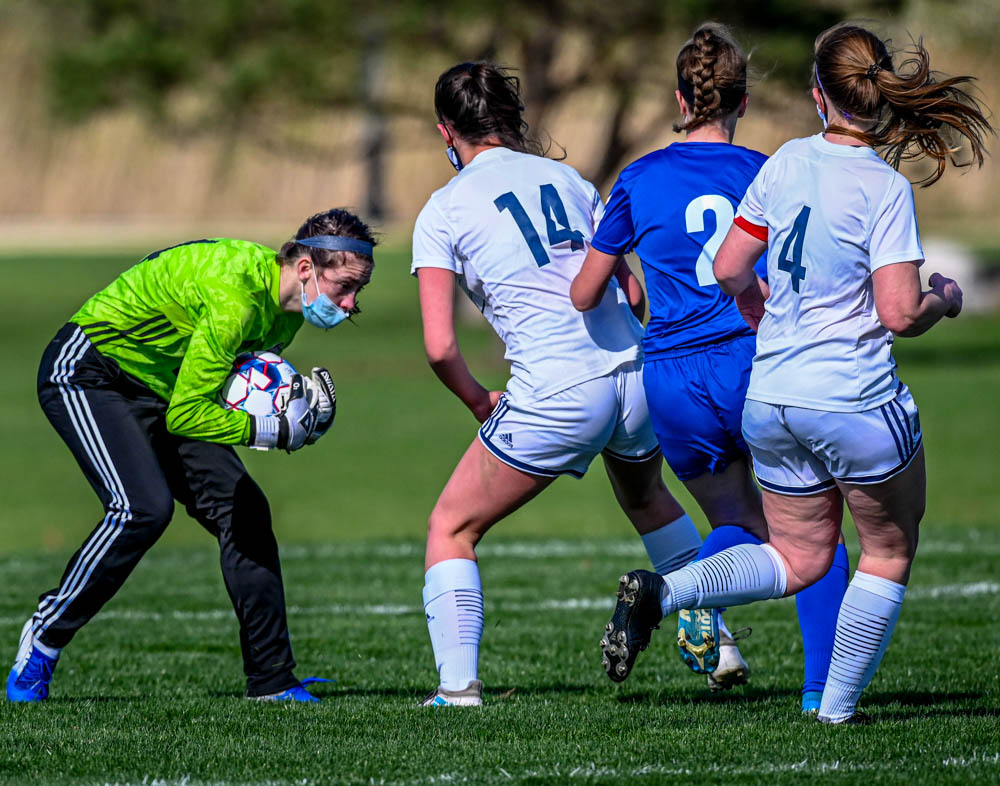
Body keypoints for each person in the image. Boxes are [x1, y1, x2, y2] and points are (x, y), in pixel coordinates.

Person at [600, 22, 990, 723]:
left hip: (771, 393)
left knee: (798, 556)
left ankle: (668, 593)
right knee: (890, 547)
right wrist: (946, 301)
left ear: (818, 97)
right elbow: (899, 313)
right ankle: (832, 709)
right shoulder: (883, 185)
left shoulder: (780, 164)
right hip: (851, 397)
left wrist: (759, 309)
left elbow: (727, 266)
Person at [412, 62, 705, 707]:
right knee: (649, 498)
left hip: (556, 393)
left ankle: (457, 688)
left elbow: (439, 347)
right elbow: (630, 289)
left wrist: (479, 400)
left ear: (446, 131)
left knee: (451, 528)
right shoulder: (569, 179)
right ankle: (721, 645)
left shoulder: (443, 210)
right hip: (634, 379)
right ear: (510, 120)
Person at [573, 23, 848, 710]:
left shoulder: (637, 178)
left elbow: (583, 292)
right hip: (752, 359)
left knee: (738, 518)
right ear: (743, 103)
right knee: (817, 529)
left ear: (678, 97)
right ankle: (823, 694)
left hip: (670, 379)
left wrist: (635, 279)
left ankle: (686, 592)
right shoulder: (768, 170)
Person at [6, 209, 376, 703]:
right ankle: (44, 637)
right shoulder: (236, 298)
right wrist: (270, 428)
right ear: (306, 269)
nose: (351, 305)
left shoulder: (285, 316)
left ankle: (271, 681)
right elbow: (187, 417)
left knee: (244, 511)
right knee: (141, 509)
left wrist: (296, 417)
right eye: (345, 287)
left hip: (166, 391)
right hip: (91, 373)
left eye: (359, 292)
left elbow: (216, 394)